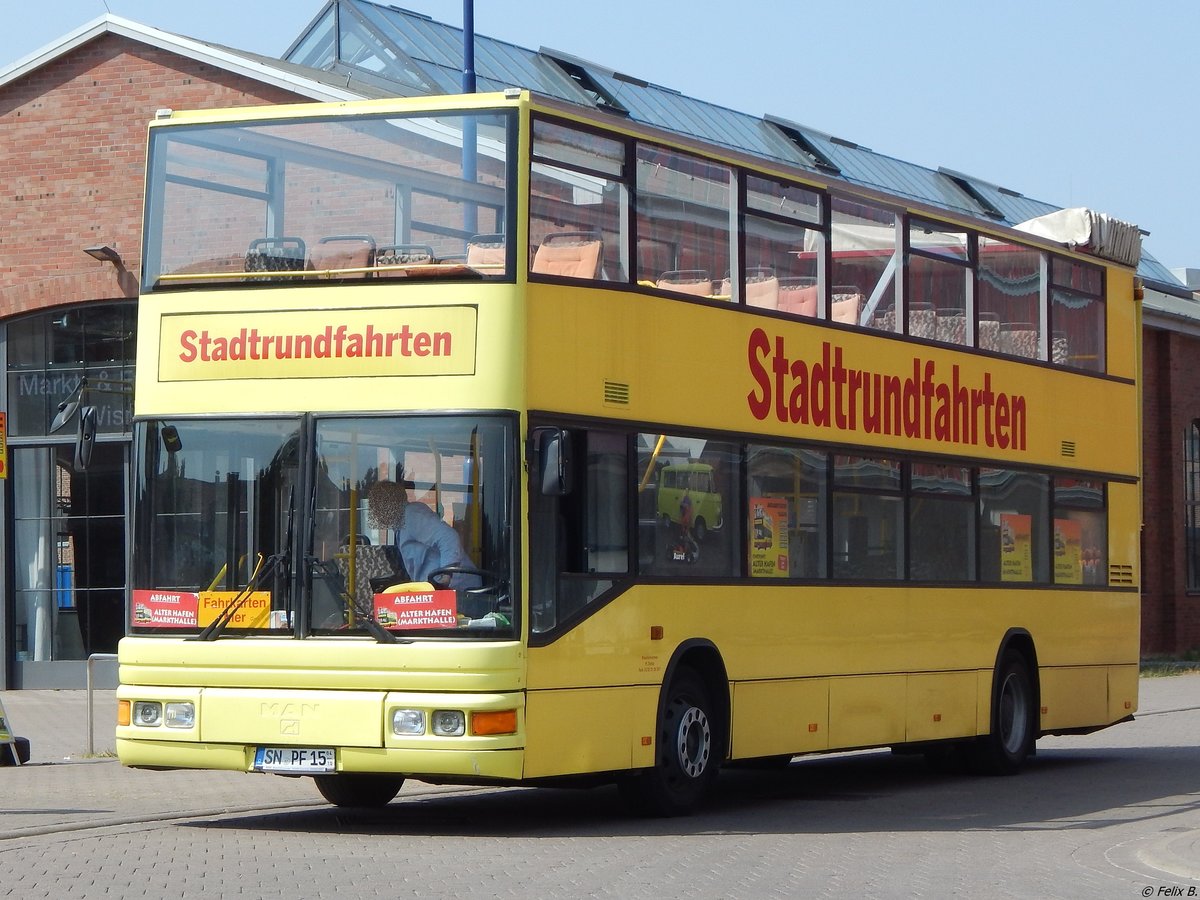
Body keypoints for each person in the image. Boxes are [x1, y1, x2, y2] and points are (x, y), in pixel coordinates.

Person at [367, 478, 480, 590]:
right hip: (438, 590)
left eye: (378, 505)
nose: (376, 512)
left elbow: (449, 537)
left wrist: (445, 579)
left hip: (458, 590)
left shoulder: (411, 515)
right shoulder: (400, 526)